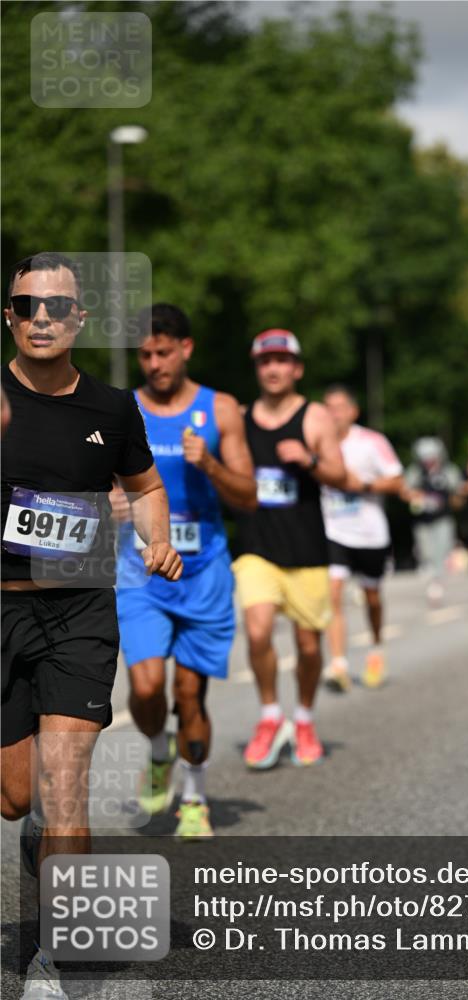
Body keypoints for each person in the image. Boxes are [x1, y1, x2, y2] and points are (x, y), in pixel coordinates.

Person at [1, 252, 182, 999]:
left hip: (79, 611)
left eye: (55, 308)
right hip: (3, 607)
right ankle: (37, 827)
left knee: (67, 782)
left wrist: (156, 535)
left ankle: (52, 960)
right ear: (8, 316)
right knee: (17, 798)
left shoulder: (110, 408)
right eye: (25, 306)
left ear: (79, 319)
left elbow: (145, 486)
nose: (40, 318)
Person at [112, 304, 257, 839]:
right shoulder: (122, 409)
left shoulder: (219, 410)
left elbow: (251, 498)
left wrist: (211, 465)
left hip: (203, 572)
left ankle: (195, 797)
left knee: (190, 694)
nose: (154, 363)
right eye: (145, 354)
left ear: (186, 349)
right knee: (147, 687)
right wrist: (112, 500)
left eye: (164, 352)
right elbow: (101, 479)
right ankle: (157, 750)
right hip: (141, 568)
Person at [233, 329, 345, 768]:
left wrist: (310, 460)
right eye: (265, 361)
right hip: (256, 547)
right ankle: (269, 716)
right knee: (258, 630)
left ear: (296, 368)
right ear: (256, 368)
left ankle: (303, 718)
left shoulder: (315, 417)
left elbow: (341, 475)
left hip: (306, 549)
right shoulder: (240, 418)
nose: (273, 368)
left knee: (309, 647)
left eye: (282, 360)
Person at [320, 385, 404, 692]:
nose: (334, 414)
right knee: (333, 592)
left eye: (339, 407)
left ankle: (376, 648)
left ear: (353, 411)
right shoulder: (318, 442)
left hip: (370, 534)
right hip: (333, 531)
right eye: (328, 407)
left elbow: (397, 480)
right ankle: (339, 664)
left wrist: (363, 485)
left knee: (371, 597)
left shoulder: (371, 441)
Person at [404, 437, 462, 605]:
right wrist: (417, 498)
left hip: (443, 518)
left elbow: (458, 493)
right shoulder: (415, 472)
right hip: (422, 520)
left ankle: (436, 584)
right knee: (425, 551)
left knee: (441, 550)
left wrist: (453, 500)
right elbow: (405, 491)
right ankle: (432, 577)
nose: (428, 461)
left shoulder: (449, 471)